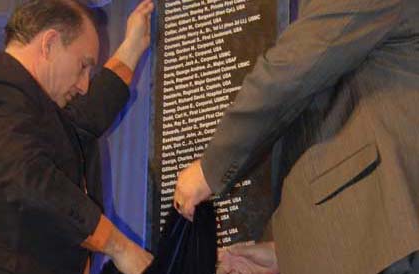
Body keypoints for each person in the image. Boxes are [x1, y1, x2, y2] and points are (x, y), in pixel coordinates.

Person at [173, 0, 419, 273]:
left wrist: (211, 168)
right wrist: (289, 249)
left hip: (383, 239)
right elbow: (323, 124)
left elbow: (292, 68)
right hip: (356, 243)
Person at [0, 0, 154, 274]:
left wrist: (131, 50)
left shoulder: (28, 104)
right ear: (49, 44)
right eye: (83, 65)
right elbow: (28, 176)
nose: (85, 85)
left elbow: (82, 122)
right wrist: (117, 245)